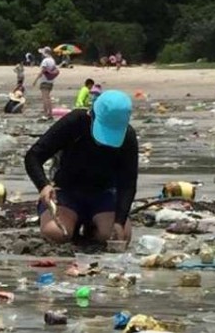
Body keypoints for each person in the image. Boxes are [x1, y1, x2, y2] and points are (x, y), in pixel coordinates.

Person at [24, 90, 137, 244]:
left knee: (117, 236)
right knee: (56, 233)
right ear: (92, 115)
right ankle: (73, 224)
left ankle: (92, 229)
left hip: (104, 194)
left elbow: (128, 183)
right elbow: (33, 156)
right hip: (66, 192)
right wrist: (43, 185)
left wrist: (120, 221)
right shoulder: (75, 122)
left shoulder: (127, 136)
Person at [32, 47, 60, 119]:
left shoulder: (45, 61)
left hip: (44, 81)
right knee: (48, 98)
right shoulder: (52, 60)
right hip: (51, 81)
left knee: (45, 98)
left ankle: (46, 114)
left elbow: (42, 71)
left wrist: (35, 80)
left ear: (45, 53)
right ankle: (50, 114)